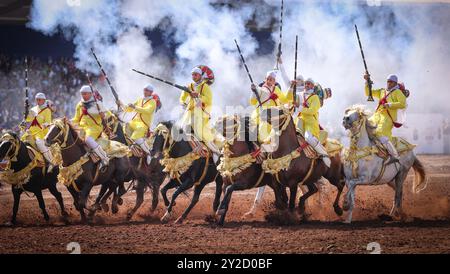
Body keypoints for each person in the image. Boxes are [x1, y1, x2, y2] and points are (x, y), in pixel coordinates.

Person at [179, 67, 224, 159]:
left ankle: (216, 152)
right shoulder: (189, 86)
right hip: (189, 113)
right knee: (182, 129)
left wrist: (198, 95)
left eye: (196, 74)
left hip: (202, 113)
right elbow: (182, 98)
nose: (194, 76)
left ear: (200, 76)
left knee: (200, 133)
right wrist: (183, 103)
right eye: (192, 74)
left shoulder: (205, 87)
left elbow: (208, 100)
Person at [364, 73, 407, 164]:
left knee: (380, 132)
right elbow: (368, 93)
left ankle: (394, 155)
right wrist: (367, 82)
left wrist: (390, 105)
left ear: (395, 83)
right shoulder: (382, 91)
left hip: (388, 118)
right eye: (388, 81)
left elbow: (403, 103)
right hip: (377, 115)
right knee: (365, 125)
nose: (389, 83)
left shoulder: (397, 92)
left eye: (391, 82)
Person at [119, 84, 160, 164]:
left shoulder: (153, 102)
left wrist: (134, 107)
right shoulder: (140, 99)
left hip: (143, 124)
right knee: (123, 128)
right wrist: (121, 104)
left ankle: (149, 153)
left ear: (151, 92)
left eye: (147, 90)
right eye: (144, 90)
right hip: (134, 122)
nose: (145, 92)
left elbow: (147, 111)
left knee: (136, 136)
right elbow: (129, 109)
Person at [294, 78, 331, 167]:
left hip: (310, 122)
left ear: (312, 86)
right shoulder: (299, 94)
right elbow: (289, 98)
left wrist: (299, 107)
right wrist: (292, 87)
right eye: (306, 83)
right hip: (299, 119)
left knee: (308, 138)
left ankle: (323, 154)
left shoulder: (315, 98)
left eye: (309, 84)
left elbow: (312, 111)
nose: (306, 85)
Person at [72, 85, 110, 168]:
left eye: (85, 94)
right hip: (81, 128)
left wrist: (103, 115)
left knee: (88, 139)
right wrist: (68, 122)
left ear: (90, 94)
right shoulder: (79, 104)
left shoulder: (97, 103)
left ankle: (104, 157)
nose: (83, 96)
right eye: (82, 94)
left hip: (94, 128)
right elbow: (76, 119)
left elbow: (108, 114)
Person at [250, 70, 290, 144]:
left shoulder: (276, 89)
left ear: (274, 81)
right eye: (267, 79)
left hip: (274, 114)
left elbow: (284, 100)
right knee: (262, 128)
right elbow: (252, 102)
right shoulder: (260, 89)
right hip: (262, 114)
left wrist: (290, 88)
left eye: (270, 79)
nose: (268, 81)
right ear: (265, 79)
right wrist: (254, 91)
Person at [21, 92, 56, 171]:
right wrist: (26, 113)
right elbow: (28, 120)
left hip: (41, 131)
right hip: (31, 131)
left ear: (44, 100)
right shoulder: (33, 109)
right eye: (37, 100)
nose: (38, 101)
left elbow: (48, 122)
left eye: (40, 100)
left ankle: (51, 161)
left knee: (39, 142)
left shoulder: (47, 110)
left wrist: (38, 117)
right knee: (21, 142)